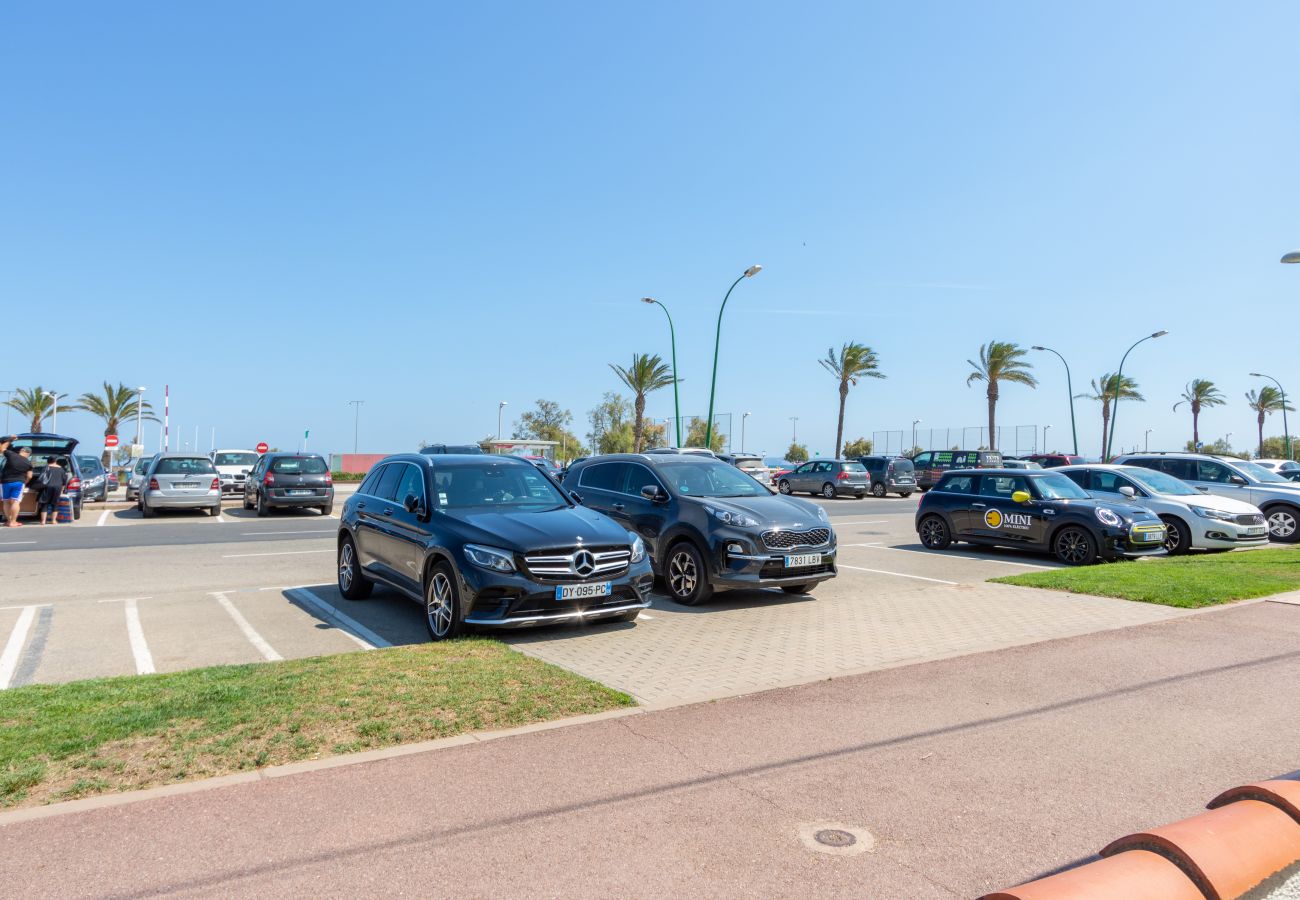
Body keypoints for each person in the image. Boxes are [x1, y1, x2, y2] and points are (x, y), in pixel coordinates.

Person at [2, 443, 33, 527]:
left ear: (21, 450)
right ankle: (13, 522)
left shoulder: (11, 455)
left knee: (6, 501)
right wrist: (25, 482)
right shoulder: (28, 463)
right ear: (28, 454)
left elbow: (2, 448)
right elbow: (30, 476)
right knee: (15, 501)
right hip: (18, 483)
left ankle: (8, 521)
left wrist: (9, 440)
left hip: (5, 482)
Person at [37, 456, 68, 525]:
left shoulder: (46, 467)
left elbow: (41, 477)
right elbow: (64, 481)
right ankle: (53, 521)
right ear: (55, 461)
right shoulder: (61, 469)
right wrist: (62, 490)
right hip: (57, 487)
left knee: (44, 504)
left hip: (46, 487)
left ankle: (43, 521)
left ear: (48, 461)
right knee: (55, 504)